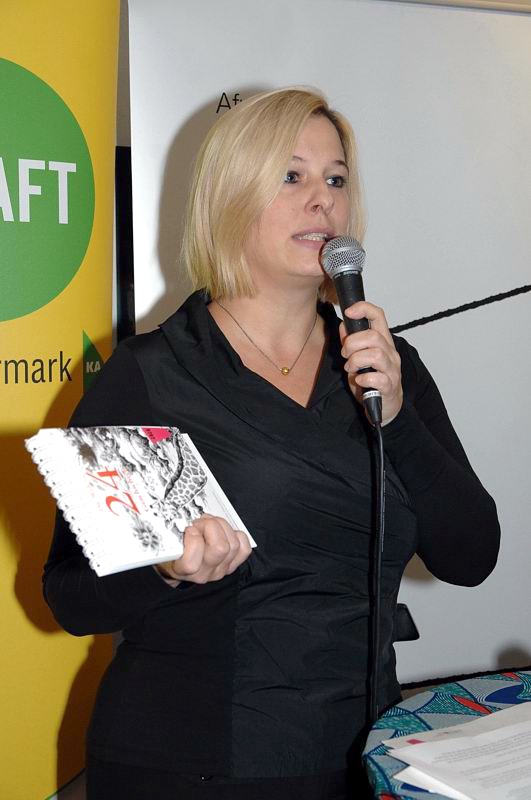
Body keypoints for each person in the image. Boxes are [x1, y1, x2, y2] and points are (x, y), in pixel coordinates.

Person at [43, 87, 500, 800]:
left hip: (363, 756)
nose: (322, 200)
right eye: (291, 175)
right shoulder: (155, 373)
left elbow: (471, 557)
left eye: (336, 179)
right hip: (190, 763)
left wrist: (398, 418)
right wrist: (165, 569)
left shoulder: (386, 365)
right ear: (230, 196)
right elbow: (71, 598)